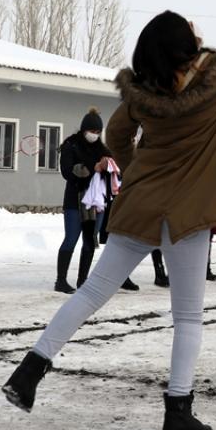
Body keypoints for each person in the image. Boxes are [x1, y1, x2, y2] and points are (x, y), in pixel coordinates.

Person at [2, 0, 216, 430]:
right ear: (186, 45)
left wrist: (139, 176)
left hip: (139, 206)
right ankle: (178, 411)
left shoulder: (141, 95)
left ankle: (30, 370)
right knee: (187, 315)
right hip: (190, 215)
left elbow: (117, 139)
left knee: (91, 292)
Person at [55, 108, 134, 293]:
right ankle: (61, 280)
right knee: (71, 238)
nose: (94, 135)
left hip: (97, 203)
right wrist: (93, 167)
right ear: (84, 129)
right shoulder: (71, 145)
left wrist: (111, 167)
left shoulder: (102, 149)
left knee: (90, 241)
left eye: (98, 132)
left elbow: (115, 173)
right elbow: (68, 171)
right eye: (92, 131)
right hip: (75, 200)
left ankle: (83, 280)